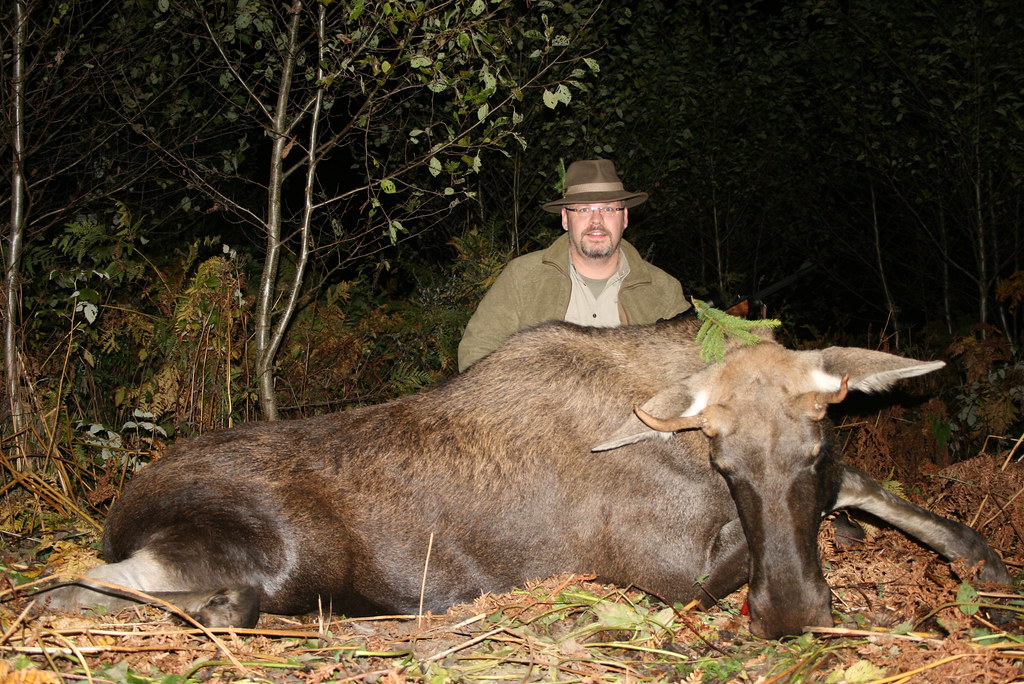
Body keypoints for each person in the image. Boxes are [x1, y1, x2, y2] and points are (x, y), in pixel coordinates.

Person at [458, 158, 690, 371]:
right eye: (583, 210)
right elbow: (476, 354)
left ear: (625, 218)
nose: (596, 221)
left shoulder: (663, 289)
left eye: (609, 209)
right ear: (566, 219)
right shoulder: (522, 277)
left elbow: (692, 367)